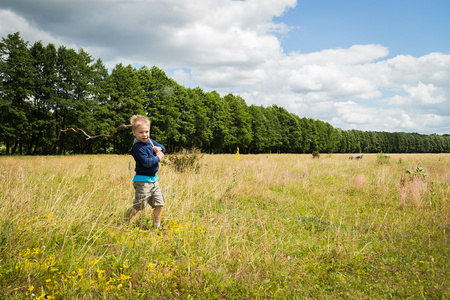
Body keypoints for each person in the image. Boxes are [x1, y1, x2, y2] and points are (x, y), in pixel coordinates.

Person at [124, 115, 166, 230]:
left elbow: (163, 147)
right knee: (139, 206)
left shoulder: (150, 142)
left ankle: (156, 226)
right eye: (141, 132)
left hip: (153, 180)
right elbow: (147, 163)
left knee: (159, 203)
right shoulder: (138, 147)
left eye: (147, 131)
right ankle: (124, 222)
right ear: (134, 133)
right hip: (142, 181)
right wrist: (158, 157)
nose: (145, 135)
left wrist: (159, 149)